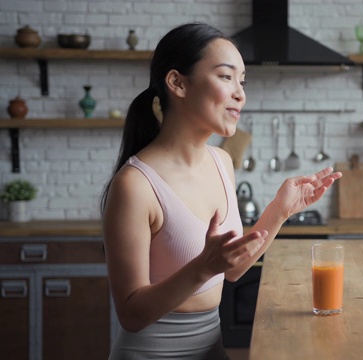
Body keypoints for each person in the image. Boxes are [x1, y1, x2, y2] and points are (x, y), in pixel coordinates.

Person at [101, 22, 341, 359]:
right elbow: (131, 314)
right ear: (177, 83)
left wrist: (279, 211)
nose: (241, 93)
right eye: (226, 76)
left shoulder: (222, 161)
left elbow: (231, 270)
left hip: (213, 350)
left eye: (243, 81)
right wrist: (201, 266)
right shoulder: (135, 185)